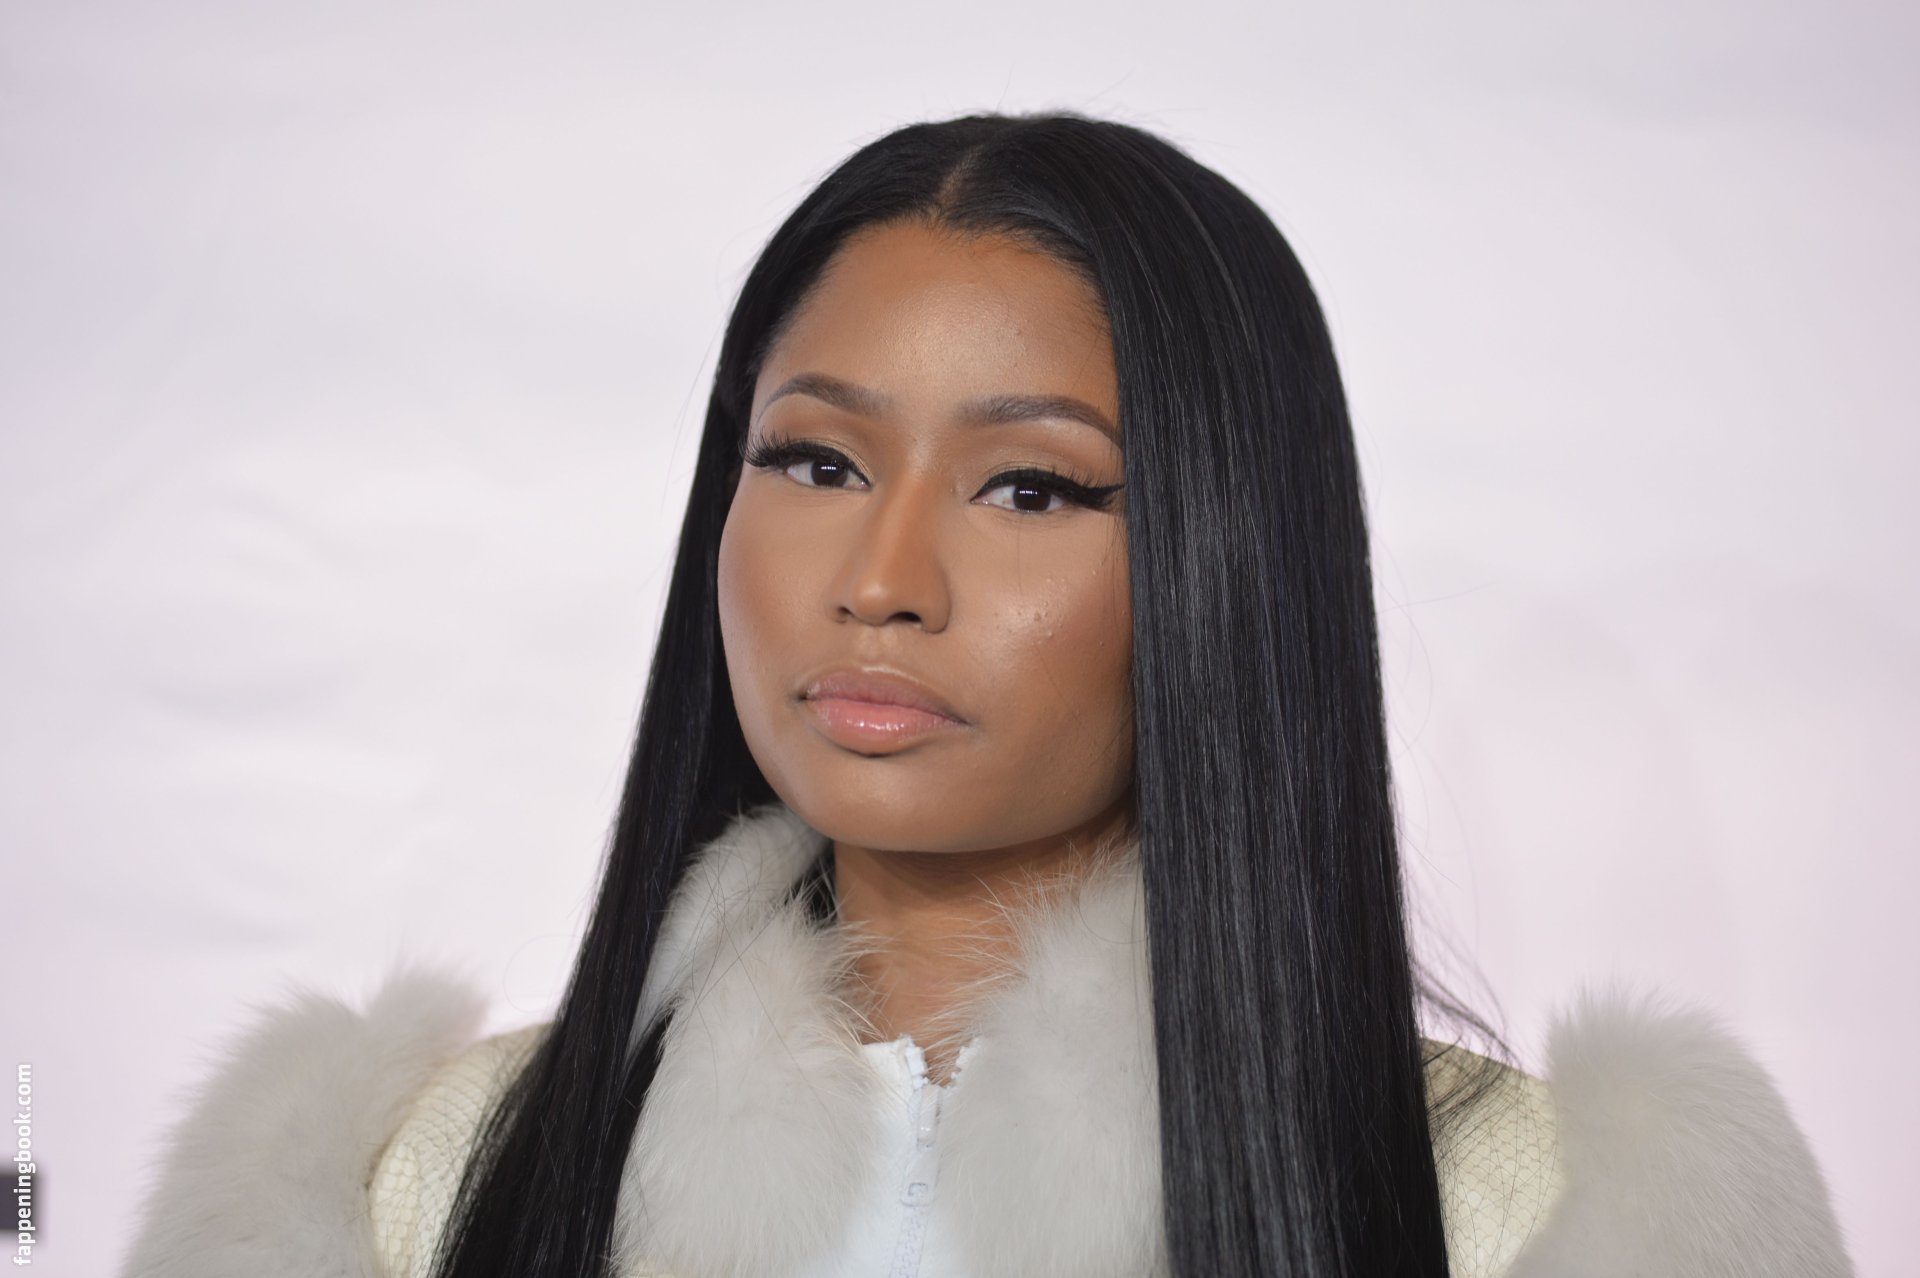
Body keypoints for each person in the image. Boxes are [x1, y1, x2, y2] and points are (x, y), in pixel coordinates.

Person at [118, 110, 1855, 1278]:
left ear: (1228, 560)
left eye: (1031, 487)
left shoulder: (1541, 1217)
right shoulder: (402, 1189)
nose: (883, 576)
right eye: (814, 460)